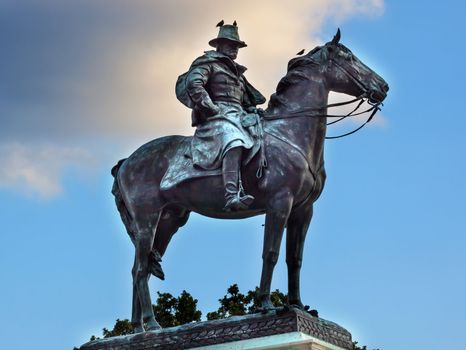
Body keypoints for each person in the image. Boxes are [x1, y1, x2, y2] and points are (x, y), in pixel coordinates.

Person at [176, 21, 266, 211]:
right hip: (217, 117)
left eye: (237, 46)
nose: (234, 49)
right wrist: (210, 107)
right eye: (230, 44)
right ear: (219, 44)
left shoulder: (238, 73)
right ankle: (231, 195)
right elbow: (194, 84)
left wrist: (253, 111)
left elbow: (246, 101)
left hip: (239, 116)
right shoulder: (207, 63)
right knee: (233, 140)